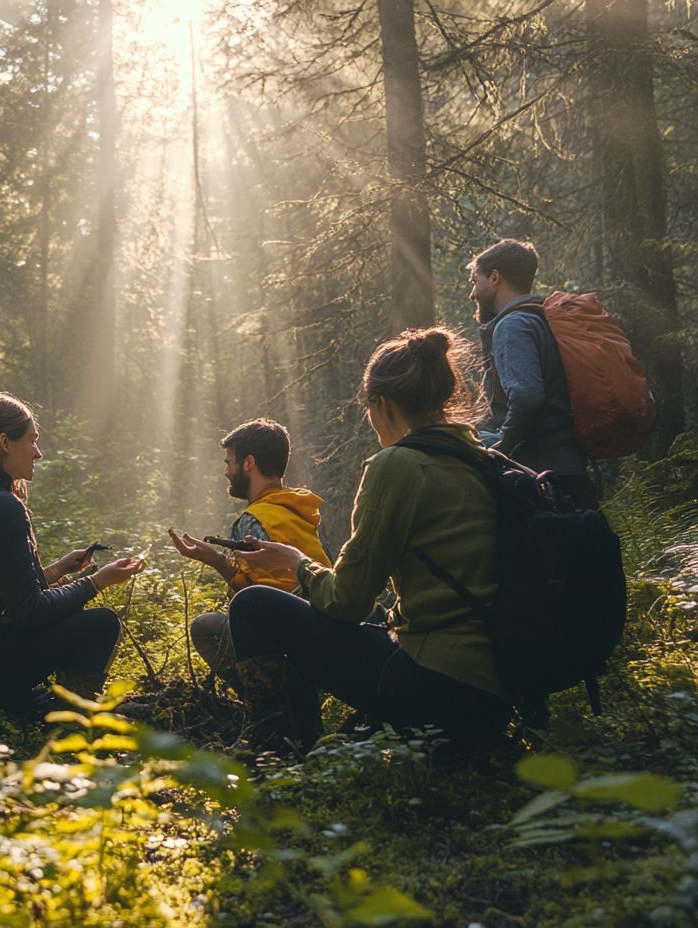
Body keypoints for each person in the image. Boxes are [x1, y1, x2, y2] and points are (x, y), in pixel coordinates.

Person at [227, 327, 511, 752]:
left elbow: (347, 601)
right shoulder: (482, 457)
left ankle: (277, 746)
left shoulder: (398, 465)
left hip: (435, 684)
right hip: (498, 688)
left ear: (380, 403)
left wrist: (296, 564)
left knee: (252, 605)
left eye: (367, 406)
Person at [0, 392, 144, 712]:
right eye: (32, 441)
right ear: (4, 442)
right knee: (101, 623)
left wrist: (59, 570)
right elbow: (28, 611)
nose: (39, 453)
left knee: (68, 608)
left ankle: (23, 703)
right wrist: (97, 582)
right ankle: (67, 716)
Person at [167, 418, 331, 689]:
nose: (226, 472)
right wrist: (215, 558)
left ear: (249, 463)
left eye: (229, 462)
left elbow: (253, 601)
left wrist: (219, 563)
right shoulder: (300, 511)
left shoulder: (252, 519)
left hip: (290, 638)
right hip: (325, 626)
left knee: (205, 627)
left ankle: (264, 702)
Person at [469, 239, 598, 508]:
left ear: (494, 278)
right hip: (566, 469)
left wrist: (503, 445)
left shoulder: (512, 326)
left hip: (542, 478)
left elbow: (527, 396)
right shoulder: (540, 319)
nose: (472, 294)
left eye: (474, 281)